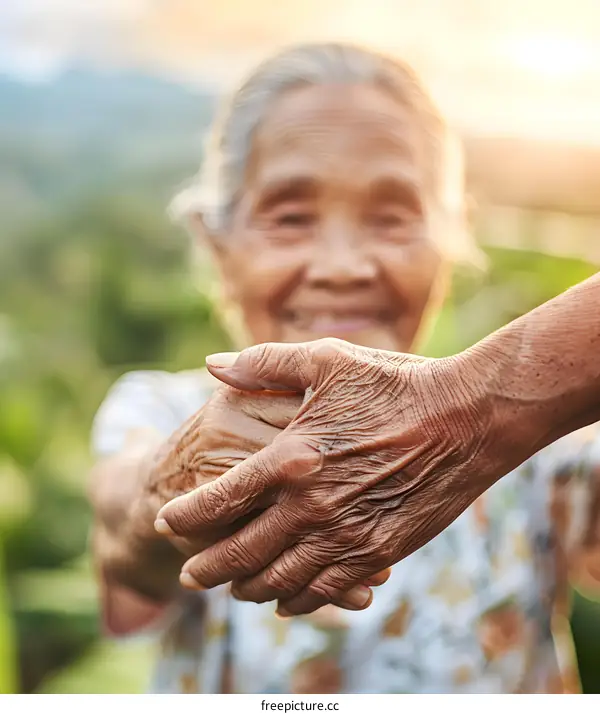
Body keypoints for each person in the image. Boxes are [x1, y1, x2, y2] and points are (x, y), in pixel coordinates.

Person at [90, 42, 600, 694]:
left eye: (391, 218)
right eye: (291, 217)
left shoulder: (542, 454)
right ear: (217, 245)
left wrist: (481, 413)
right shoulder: (156, 411)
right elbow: (122, 540)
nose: (342, 266)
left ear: (451, 237)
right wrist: (179, 483)